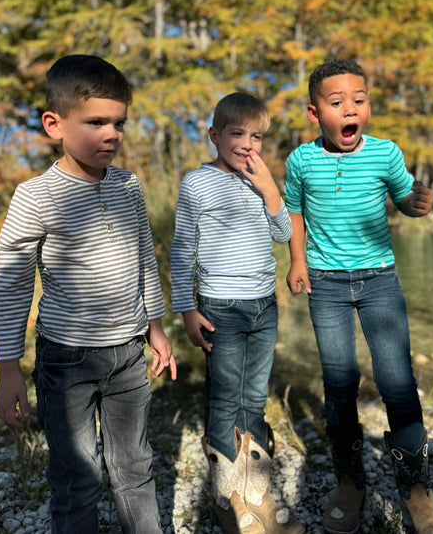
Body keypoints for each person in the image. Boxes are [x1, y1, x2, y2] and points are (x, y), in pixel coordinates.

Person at [0, 54, 177, 534]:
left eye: (119, 122)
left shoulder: (128, 185)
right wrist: (8, 368)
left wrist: (155, 327)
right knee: (77, 476)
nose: (111, 134)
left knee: (135, 467)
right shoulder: (36, 196)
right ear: (54, 124)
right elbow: (12, 283)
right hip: (66, 360)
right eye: (95, 122)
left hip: (129, 355)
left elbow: (143, 257)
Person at [285, 58, 433, 534]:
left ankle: (416, 490)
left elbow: (405, 198)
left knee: (397, 380)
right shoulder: (302, 160)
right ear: (316, 113)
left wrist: (417, 205)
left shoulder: (385, 153)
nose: (350, 109)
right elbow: (294, 213)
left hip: (380, 278)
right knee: (339, 381)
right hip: (326, 283)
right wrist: (296, 262)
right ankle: (350, 482)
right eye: (337, 102)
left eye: (359, 100)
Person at [171, 92, 303, 534]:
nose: (247, 144)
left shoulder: (260, 178)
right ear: (214, 135)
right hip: (220, 307)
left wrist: (269, 188)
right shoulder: (196, 183)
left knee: (254, 396)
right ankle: (227, 495)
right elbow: (181, 252)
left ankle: (256, 491)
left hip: (264, 304)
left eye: (257, 136)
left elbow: (285, 232)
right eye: (237, 134)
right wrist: (187, 309)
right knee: (225, 397)